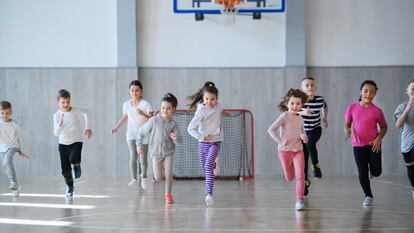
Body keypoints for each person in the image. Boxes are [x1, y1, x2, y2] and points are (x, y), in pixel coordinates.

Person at [344, 80, 387, 206]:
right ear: (361, 92)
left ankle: (372, 172)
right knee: (362, 172)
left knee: (377, 172)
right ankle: (368, 196)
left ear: (375, 94)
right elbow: (347, 123)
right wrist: (347, 129)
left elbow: (384, 127)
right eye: (366, 91)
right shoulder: (352, 108)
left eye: (372, 92)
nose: (368, 94)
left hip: (373, 144)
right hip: (357, 145)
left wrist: (378, 139)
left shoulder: (377, 111)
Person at [187, 81, 228, 206]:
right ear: (203, 98)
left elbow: (221, 110)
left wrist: (225, 113)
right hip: (203, 142)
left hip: (216, 141)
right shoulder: (200, 111)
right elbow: (190, 129)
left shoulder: (219, 106)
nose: (210, 102)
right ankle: (214, 165)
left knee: (208, 166)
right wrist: (202, 136)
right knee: (205, 168)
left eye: (213, 99)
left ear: (217, 99)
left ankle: (208, 195)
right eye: (207, 99)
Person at [137, 93, 182, 204]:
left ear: (173, 109)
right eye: (162, 108)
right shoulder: (154, 120)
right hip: (156, 153)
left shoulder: (174, 124)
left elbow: (180, 140)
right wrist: (139, 144)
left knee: (169, 174)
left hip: (168, 152)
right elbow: (141, 132)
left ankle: (168, 194)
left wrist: (176, 138)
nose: (164, 110)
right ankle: (159, 172)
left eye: (168, 108)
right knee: (158, 177)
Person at [268, 88, 308, 211]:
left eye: (298, 104)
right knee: (290, 177)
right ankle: (289, 176)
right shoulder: (284, 116)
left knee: (301, 175)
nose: (295, 106)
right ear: (287, 104)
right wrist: (280, 141)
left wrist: (304, 137)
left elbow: (303, 136)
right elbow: (270, 130)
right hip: (284, 151)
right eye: (292, 103)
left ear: (301, 105)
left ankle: (299, 200)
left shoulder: (301, 118)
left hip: (298, 150)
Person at [112, 80, 154, 189]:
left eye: (137, 90)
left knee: (143, 159)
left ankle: (143, 177)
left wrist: (143, 113)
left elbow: (152, 119)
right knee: (133, 154)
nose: (134, 93)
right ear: (129, 91)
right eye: (132, 90)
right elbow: (125, 116)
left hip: (144, 134)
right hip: (131, 133)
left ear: (141, 91)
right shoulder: (126, 104)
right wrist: (116, 127)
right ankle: (134, 178)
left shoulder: (145, 104)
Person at [53, 89, 93, 198]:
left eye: (68, 102)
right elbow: (56, 133)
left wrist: (88, 128)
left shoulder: (75, 111)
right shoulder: (56, 115)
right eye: (63, 102)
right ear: (58, 103)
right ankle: (70, 187)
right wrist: (59, 124)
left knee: (73, 159)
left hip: (76, 141)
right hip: (63, 145)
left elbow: (87, 112)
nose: (66, 104)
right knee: (65, 170)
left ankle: (76, 165)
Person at [299, 77, 328, 196]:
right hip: (302, 133)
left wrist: (325, 117)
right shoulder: (299, 101)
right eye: (307, 85)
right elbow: (291, 111)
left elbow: (325, 107)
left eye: (312, 85)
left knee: (310, 143)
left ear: (315, 87)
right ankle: (305, 184)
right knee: (303, 159)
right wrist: (303, 112)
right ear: (302, 89)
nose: (310, 87)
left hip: (316, 129)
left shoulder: (320, 99)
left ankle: (316, 167)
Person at [0, 101, 29, 197]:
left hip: (13, 146)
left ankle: (13, 182)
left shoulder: (14, 124)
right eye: (2, 113)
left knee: (7, 161)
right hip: (2, 148)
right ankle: (16, 187)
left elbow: (20, 137)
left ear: (11, 112)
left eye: (7, 113)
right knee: (6, 166)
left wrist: (21, 150)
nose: (4, 115)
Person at [394, 79, 414, 200]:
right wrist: (408, 109)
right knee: (411, 169)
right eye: (413, 89)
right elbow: (398, 125)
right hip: (407, 145)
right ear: (407, 91)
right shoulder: (402, 106)